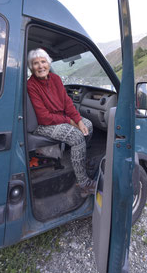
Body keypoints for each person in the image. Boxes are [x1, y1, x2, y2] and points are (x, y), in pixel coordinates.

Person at [27, 48, 96, 197]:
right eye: (36, 63)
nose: (40, 66)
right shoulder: (31, 85)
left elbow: (67, 103)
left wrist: (78, 120)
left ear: (48, 63)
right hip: (42, 125)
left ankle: (80, 160)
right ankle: (83, 184)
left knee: (88, 126)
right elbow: (44, 117)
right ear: (31, 67)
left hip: (61, 118)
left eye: (43, 62)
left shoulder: (56, 79)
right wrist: (69, 121)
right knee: (77, 137)